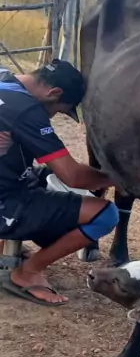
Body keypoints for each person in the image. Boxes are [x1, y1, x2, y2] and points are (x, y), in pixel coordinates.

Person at [0, 59, 119, 306]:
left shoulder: (4, 78)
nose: (52, 117)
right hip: (4, 199)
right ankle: (28, 272)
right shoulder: (26, 110)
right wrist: (118, 177)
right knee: (105, 215)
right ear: (53, 93)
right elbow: (72, 176)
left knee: (41, 175)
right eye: (58, 111)